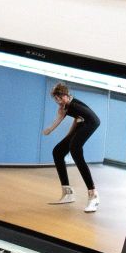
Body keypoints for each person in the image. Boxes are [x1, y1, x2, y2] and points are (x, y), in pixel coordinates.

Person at [42, 83, 101, 213]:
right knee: (58, 151)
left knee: (75, 149)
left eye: (59, 98)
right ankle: (68, 193)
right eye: (55, 99)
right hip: (83, 123)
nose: (57, 101)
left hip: (92, 123)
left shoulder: (72, 105)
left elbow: (64, 118)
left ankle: (94, 196)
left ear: (66, 95)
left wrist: (50, 129)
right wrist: (68, 137)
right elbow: (77, 119)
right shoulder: (68, 105)